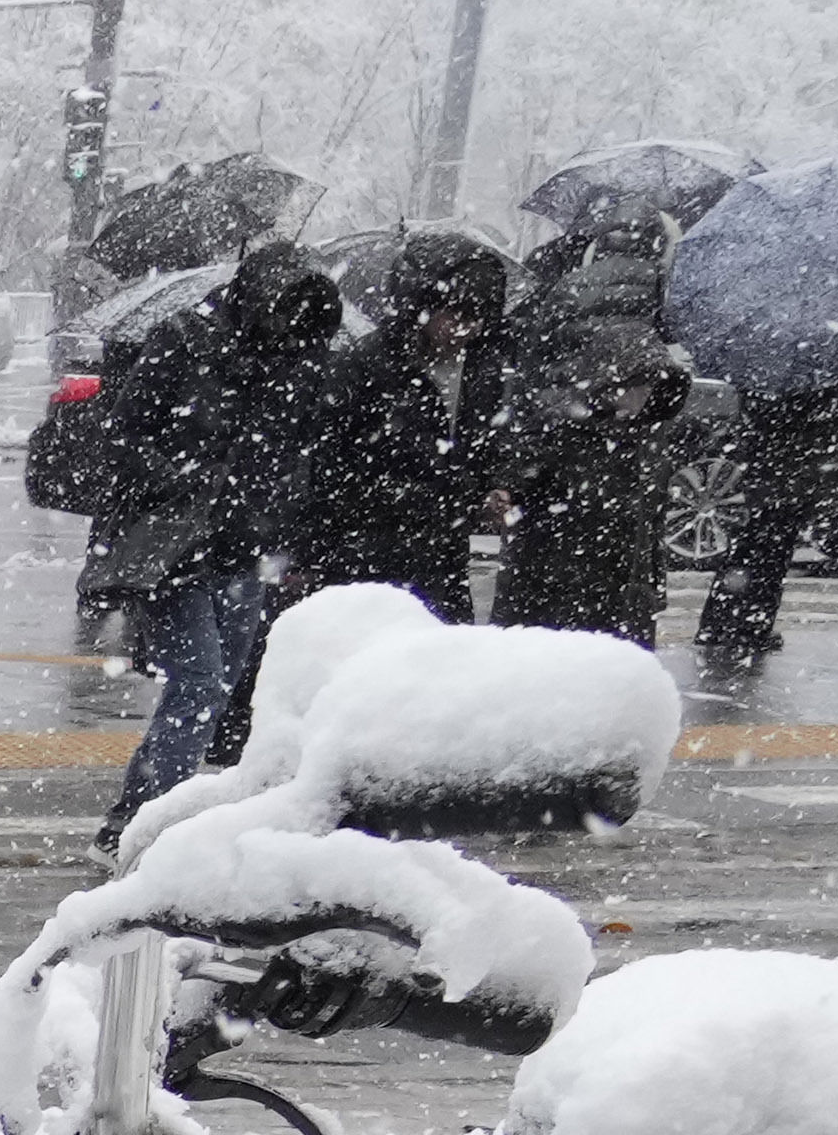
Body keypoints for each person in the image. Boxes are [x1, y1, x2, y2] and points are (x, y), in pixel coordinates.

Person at [99, 243, 339, 840]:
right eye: (282, 307)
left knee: (218, 687)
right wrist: (181, 481)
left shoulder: (296, 362)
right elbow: (123, 433)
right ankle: (153, 828)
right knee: (199, 685)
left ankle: (138, 818)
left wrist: (289, 532)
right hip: (174, 546)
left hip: (242, 547)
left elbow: (297, 457)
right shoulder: (185, 339)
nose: (289, 323)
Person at [286, 235, 508, 616]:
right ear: (420, 307)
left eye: (477, 318)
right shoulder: (366, 366)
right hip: (369, 554)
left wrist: (492, 488)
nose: (466, 329)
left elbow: (484, 447)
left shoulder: (481, 372)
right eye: (455, 315)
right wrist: (310, 552)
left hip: (444, 554)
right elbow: (325, 464)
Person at [491, 220, 688, 639]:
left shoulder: (568, 286)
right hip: (617, 419)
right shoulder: (665, 286)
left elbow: (533, 364)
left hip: (580, 411)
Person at [698, 368, 838, 676]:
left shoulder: (763, 365)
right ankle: (749, 626)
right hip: (789, 470)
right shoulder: (816, 371)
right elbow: (820, 418)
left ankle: (722, 624)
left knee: (752, 546)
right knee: (772, 549)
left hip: (768, 466)